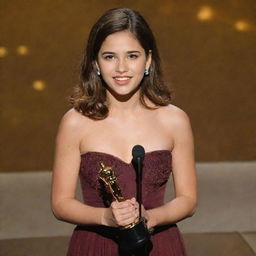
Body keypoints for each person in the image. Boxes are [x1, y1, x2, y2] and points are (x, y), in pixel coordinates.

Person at [51, 7, 197, 256]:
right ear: (96, 62)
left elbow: (188, 200)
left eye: (132, 56)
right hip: (96, 245)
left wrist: (151, 216)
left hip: (159, 245)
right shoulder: (75, 122)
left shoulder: (175, 120)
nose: (121, 67)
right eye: (109, 57)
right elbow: (60, 204)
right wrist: (105, 217)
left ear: (148, 60)